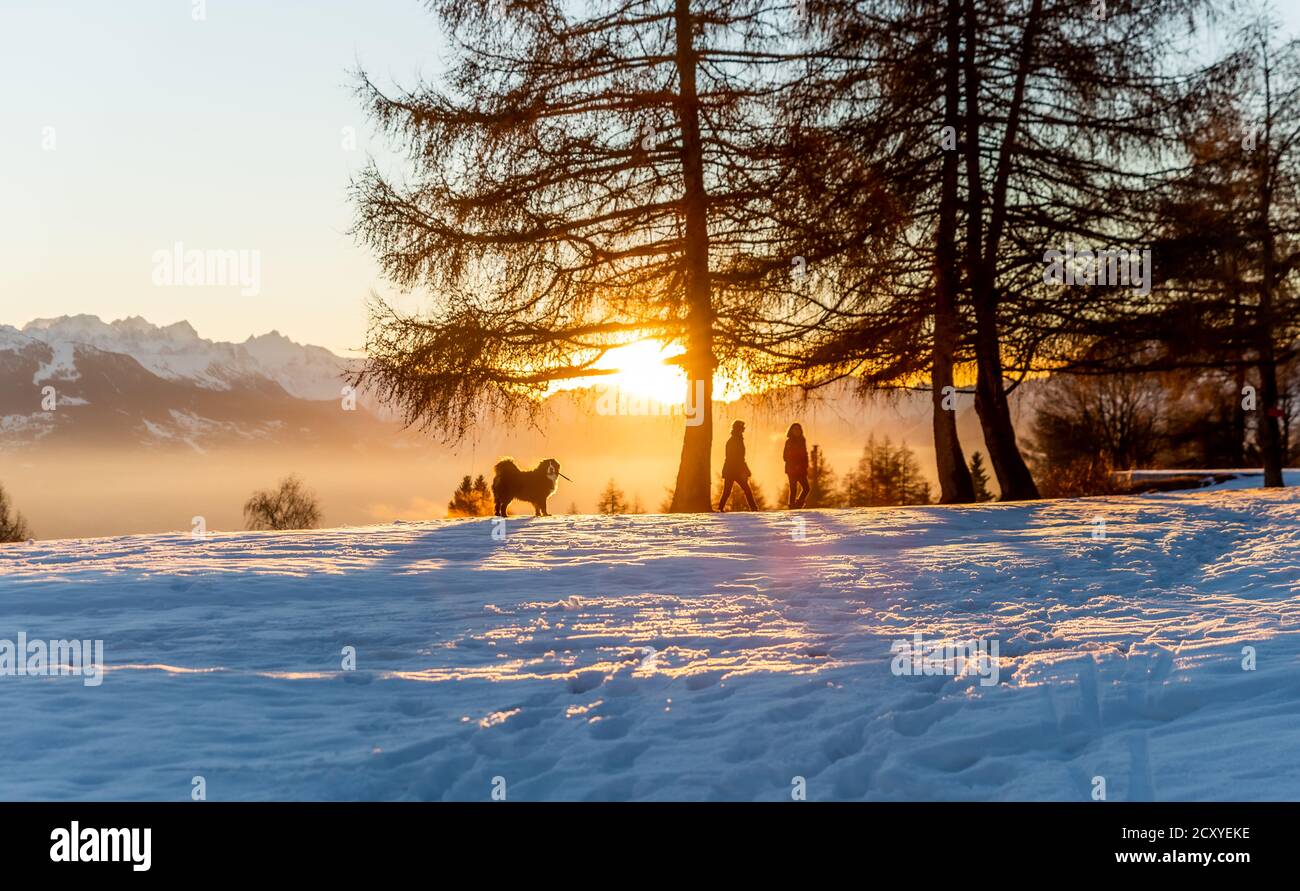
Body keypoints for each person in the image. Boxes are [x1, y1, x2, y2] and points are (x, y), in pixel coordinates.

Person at [718, 420, 758, 511]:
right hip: (733, 470)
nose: (742, 430)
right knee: (743, 490)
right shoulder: (734, 441)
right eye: (741, 428)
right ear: (737, 429)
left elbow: (739, 458)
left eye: (742, 428)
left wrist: (745, 469)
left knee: (728, 491)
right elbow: (736, 459)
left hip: (732, 470)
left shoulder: (737, 440)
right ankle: (754, 508)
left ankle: (720, 508)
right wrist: (744, 470)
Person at [783, 423, 809, 508]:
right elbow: (785, 456)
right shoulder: (789, 441)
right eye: (795, 429)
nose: (797, 431)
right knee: (793, 489)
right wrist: (795, 464)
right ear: (791, 431)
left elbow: (805, 454)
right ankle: (792, 506)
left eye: (798, 429)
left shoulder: (802, 440)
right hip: (792, 469)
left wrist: (805, 465)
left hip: (801, 469)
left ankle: (797, 504)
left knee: (806, 488)